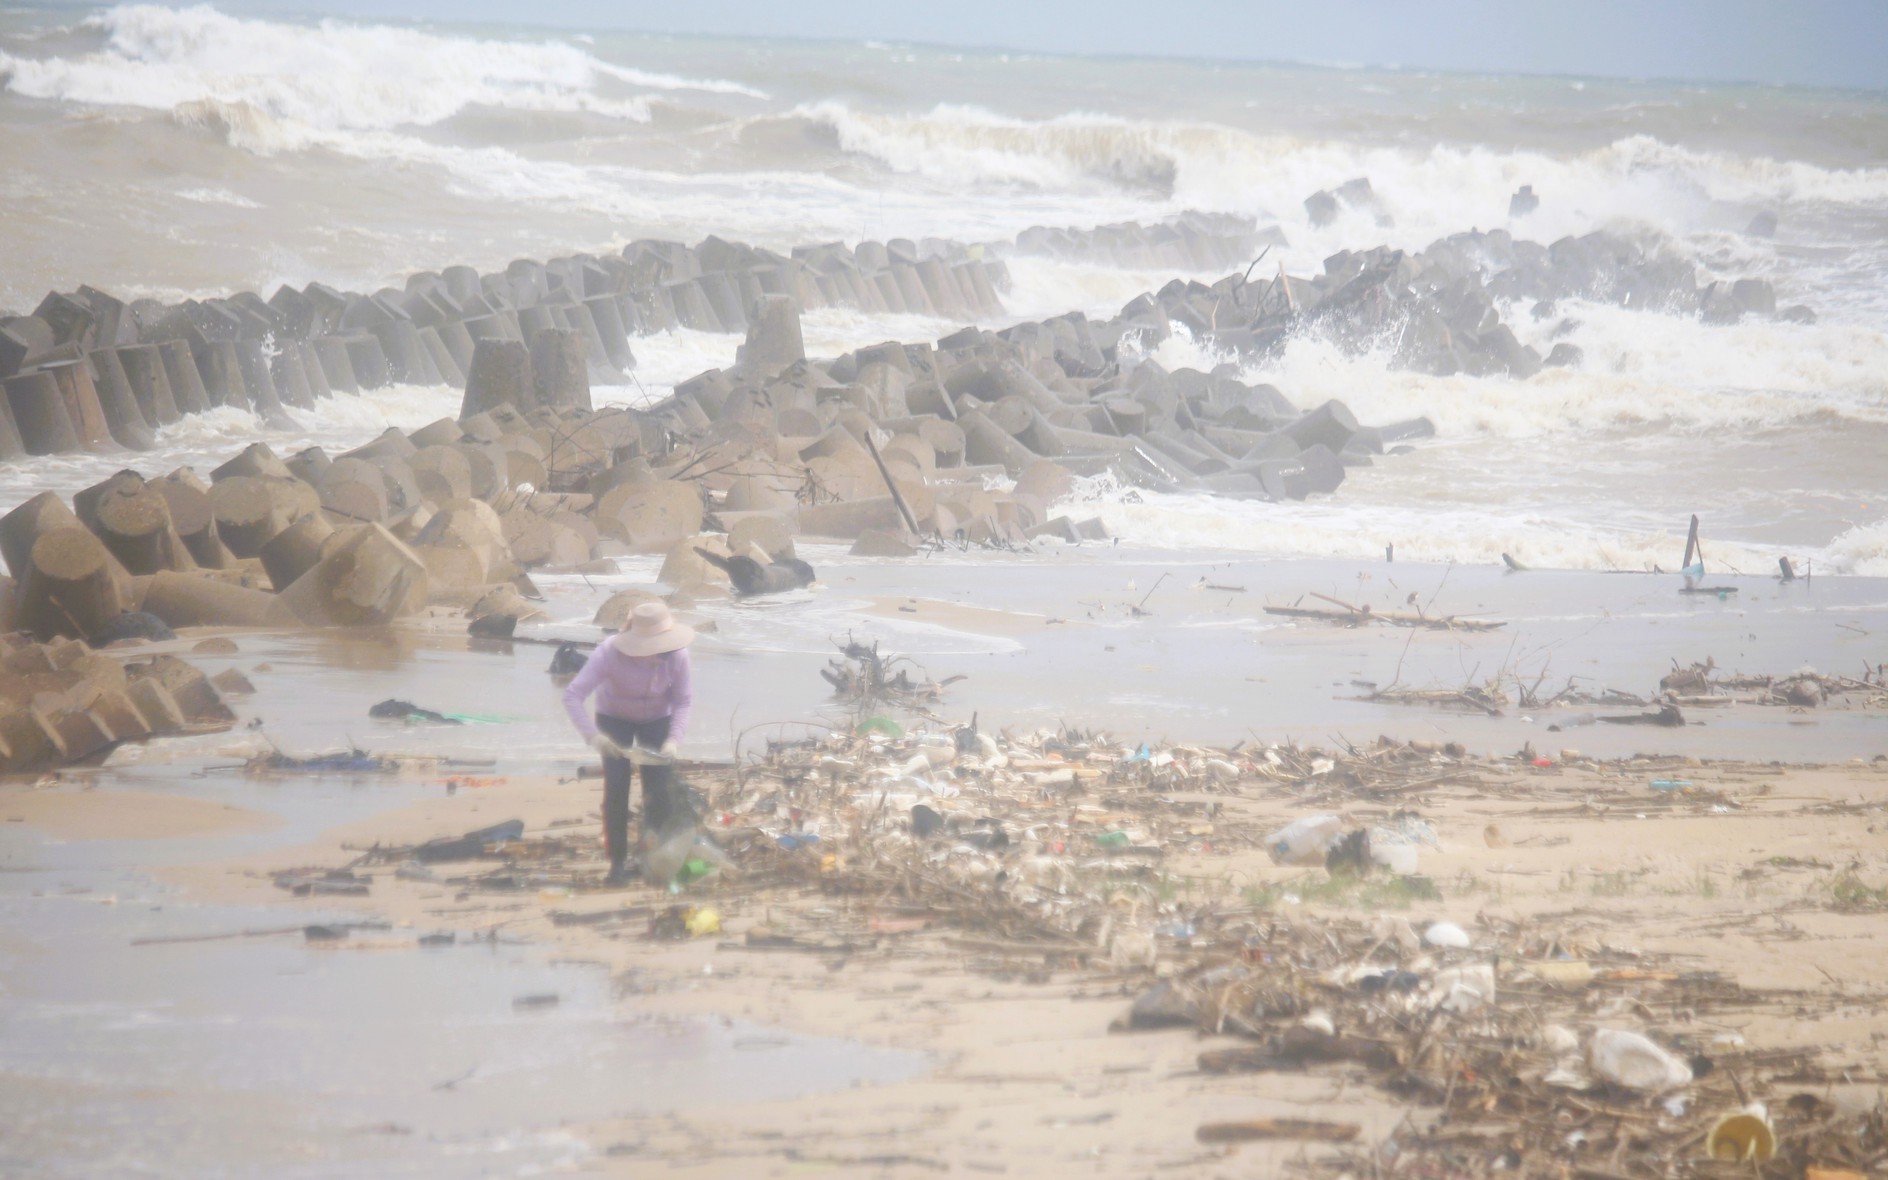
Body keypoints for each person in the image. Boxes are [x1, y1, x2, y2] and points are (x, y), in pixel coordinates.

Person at [562, 600, 694, 884]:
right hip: (614, 719)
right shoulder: (609, 653)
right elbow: (572, 695)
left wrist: (674, 739)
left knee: (658, 791)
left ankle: (654, 858)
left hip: (657, 719)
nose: (667, 654)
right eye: (661, 649)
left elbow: (683, 700)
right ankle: (618, 863)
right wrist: (594, 737)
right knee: (617, 789)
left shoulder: (678, 655)